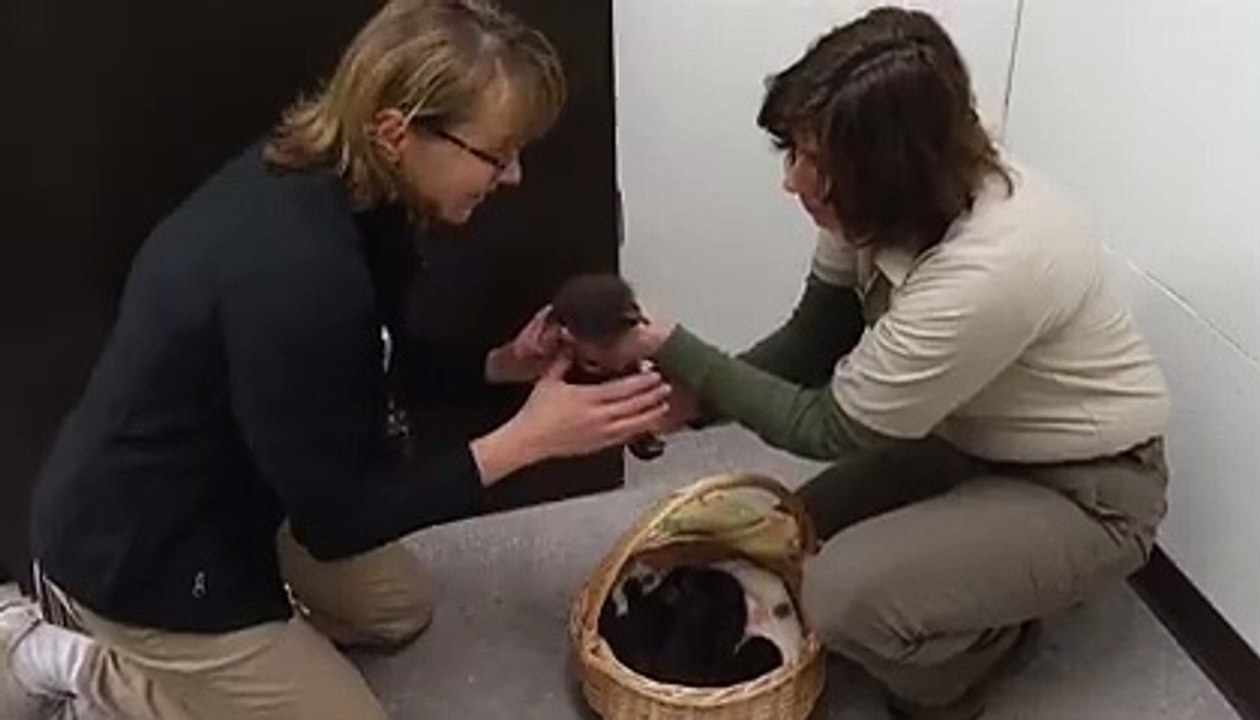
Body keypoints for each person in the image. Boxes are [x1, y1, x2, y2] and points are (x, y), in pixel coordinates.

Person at [4, 1, 670, 718]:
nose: (512, 176)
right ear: (396, 131)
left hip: (253, 478)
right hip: (142, 553)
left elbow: (369, 360)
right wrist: (525, 442)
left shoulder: (359, 197)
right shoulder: (296, 273)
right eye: (496, 153)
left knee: (398, 609)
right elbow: (338, 520)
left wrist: (498, 366)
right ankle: (69, 658)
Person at [608, 8, 1171, 719]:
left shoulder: (993, 263)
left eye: (814, 164)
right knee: (792, 532)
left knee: (837, 596)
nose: (793, 182)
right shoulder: (887, 192)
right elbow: (814, 338)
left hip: (1087, 491)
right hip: (961, 439)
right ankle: (973, 572)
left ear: (886, 169)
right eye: (795, 153)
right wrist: (686, 401)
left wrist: (672, 344)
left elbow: (828, 427)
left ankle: (990, 654)